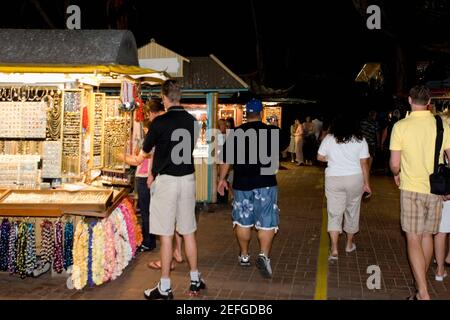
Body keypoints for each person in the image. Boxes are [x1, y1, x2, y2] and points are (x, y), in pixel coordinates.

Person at [142, 80, 205, 300]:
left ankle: (165, 286)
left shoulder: (159, 123)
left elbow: (146, 149)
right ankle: (195, 279)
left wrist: (152, 172)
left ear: (164, 97)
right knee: (188, 231)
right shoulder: (192, 121)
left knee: (166, 235)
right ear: (180, 96)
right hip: (187, 178)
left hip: (167, 181)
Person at [390, 85, 450, 300]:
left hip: (411, 188)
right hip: (435, 189)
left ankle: (423, 291)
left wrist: (396, 174)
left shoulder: (401, 126)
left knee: (413, 238)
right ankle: (419, 286)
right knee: (428, 236)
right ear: (429, 102)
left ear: (409, 100)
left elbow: (395, 164)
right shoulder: (441, 124)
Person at [218, 98, 280, 279]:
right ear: (261, 113)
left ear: (246, 114)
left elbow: (226, 160)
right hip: (266, 182)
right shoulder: (271, 132)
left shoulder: (235, 133)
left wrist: (222, 180)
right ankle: (263, 255)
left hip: (242, 184)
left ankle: (244, 255)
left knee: (243, 221)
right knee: (267, 220)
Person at [317, 115, 371, 260]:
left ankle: (334, 249)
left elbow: (320, 157)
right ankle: (348, 244)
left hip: (334, 178)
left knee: (334, 213)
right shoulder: (361, 140)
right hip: (355, 178)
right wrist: (367, 184)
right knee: (352, 211)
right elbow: (364, 163)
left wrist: (332, 158)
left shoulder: (329, 139)